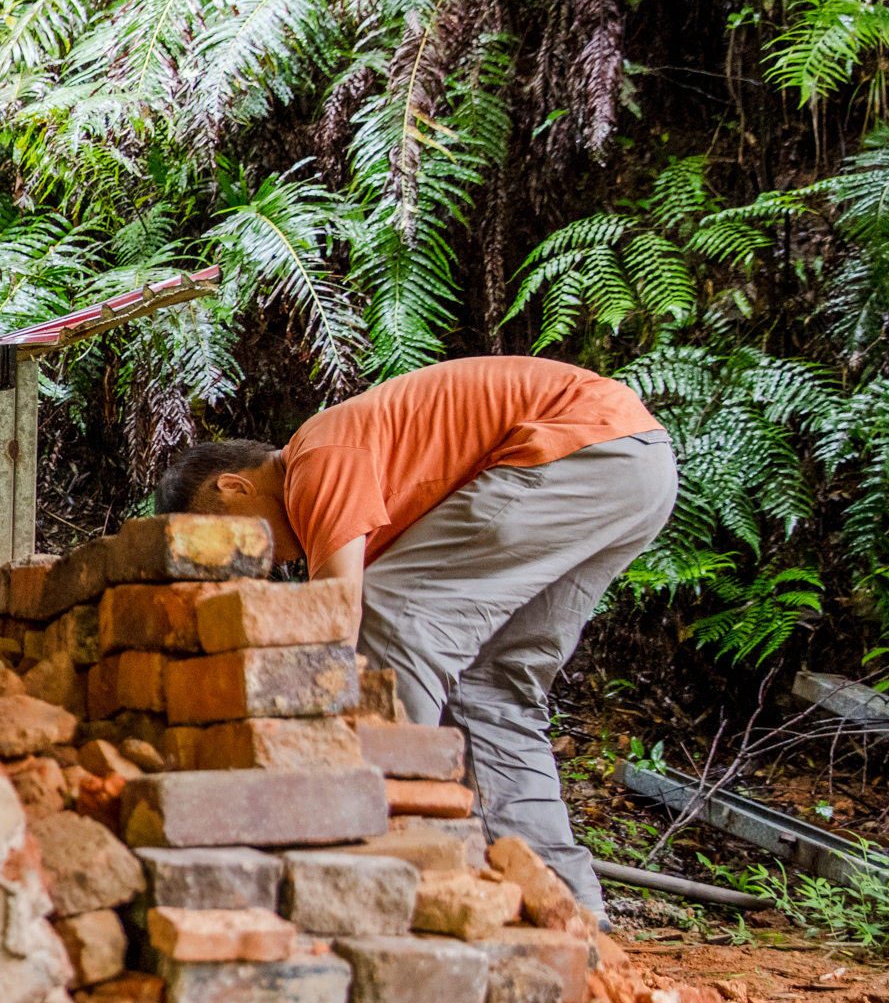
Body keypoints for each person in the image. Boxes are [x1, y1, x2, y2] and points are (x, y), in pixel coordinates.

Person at [156, 355, 678, 922]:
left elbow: (342, 614)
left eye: (230, 538)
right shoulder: (364, 491)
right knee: (490, 690)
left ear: (234, 487)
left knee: (390, 615)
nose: (249, 562)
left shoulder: (318, 453)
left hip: (578, 447)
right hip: (634, 466)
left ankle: (368, 861)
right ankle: (563, 911)